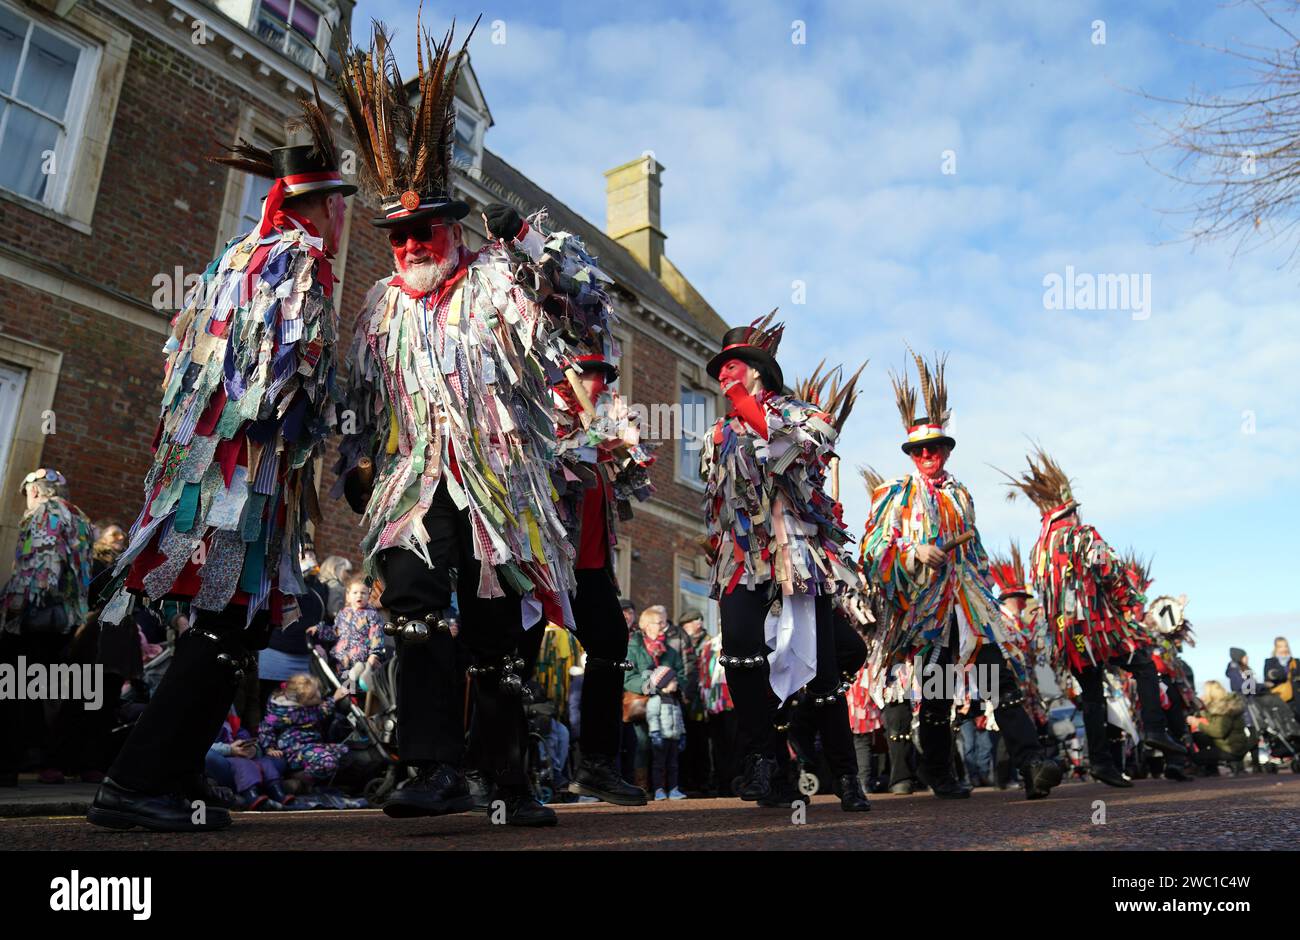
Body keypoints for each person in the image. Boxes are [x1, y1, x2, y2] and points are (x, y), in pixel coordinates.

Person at [331, 17, 608, 828]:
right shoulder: (381, 306)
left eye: (428, 230)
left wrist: (530, 240)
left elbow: (585, 311)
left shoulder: (497, 283)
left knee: (496, 635)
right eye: (401, 234)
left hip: (499, 481)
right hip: (414, 481)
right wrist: (355, 462)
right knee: (413, 602)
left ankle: (510, 780)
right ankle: (428, 764)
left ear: (456, 231)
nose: (414, 243)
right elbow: (360, 396)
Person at [85, 89, 355, 832]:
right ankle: (136, 782)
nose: (341, 220)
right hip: (241, 472)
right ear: (322, 205)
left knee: (228, 622)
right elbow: (282, 384)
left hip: (212, 470)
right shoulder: (297, 262)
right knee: (224, 622)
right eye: (338, 206)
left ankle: (167, 781)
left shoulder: (235, 255)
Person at [864, 354, 1061, 801]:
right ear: (912, 455)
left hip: (968, 604)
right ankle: (939, 771)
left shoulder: (961, 495)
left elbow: (975, 551)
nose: (928, 456)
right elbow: (874, 549)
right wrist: (913, 551)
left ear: (948, 451)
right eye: (919, 450)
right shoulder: (895, 494)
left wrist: (984, 597)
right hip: (925, 614)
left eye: (935, 448)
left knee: (999, 679)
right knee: (938, 696)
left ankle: (1031, 764)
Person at [698, 314, 866, 807]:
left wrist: (751, 408)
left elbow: (812, 447)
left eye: (734, 365)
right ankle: (763, 760)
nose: (725, 373)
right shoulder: (717, 433)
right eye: (721, 368)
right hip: (743, 554)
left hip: (796, 550)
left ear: (757, 370)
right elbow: (718, 499)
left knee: (824, 670)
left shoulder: (799, 413)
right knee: (741, 649)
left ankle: (847, 779)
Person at [1000, 448, 1185, 789]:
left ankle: (1101, 762)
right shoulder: (1083, 535)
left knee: (1093, 695)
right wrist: (1130, 603)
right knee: (1143, 664)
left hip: (1069, 639)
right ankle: (1156, 729)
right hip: (1095, 630)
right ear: (1071, 508)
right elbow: (1111, 571)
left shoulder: (1039, 548)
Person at [547, 352, 654, 805]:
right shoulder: (538, 416)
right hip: (540, 561)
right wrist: (582, 437)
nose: (597, 382)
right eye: (588, 372)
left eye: (603, 375)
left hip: (589, 569)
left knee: (610, 642)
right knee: (508, 656)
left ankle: (596, 767)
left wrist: (623, 445)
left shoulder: (602, 430)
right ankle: (491, 772)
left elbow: (633, 477)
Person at [1, 469, 94, 786]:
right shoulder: (80, 517)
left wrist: (17, 606)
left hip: (36, 616)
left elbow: (43, 565)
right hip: (66, 620)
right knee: (49, 688)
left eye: (27, 493)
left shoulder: (45, 512)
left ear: (37, 491)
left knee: (15, 687)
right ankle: (47, 761)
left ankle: (11, 763)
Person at [626, 607, 685, 800]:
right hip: (642, 706)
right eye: (659, 622)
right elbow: (627, 677)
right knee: (642, 746)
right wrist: (649, 686)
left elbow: (681, 673)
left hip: (668, 706)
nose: (663, 626)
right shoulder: (633, 647)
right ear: (646, 625)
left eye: (664, 622)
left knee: (668, 750)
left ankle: (668, 787)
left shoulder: (670, 650)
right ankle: (642, 787)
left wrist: (676, 685)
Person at [258, 675, 350, 785]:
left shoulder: (309, 708)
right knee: (327, 762)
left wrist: (334, 698)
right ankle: (301, 778)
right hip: (294, 751)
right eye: (313, 696)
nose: (318, 696)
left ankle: (320, 778)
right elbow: (266, 726)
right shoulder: (283, 712)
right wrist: (269, 748)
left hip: (313, 745)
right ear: (301, 700)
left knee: (345, 750)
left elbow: (321, 711)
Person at [311, 578, 386, 684]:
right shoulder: (343, 613)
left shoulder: (372, 615)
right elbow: (335, 632)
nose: (359, 595)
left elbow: (376, 636)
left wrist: (374, 654)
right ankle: (347, 696)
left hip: (361, 658)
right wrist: (319, 629)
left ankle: (355, 694)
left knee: (355, 685)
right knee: (343, 684)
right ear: (348, 596)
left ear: (368, 596)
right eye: (355, 593)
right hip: (341, 658)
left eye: (363, 593)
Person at [676, 611, 712, 794]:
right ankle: (688, 781)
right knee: (686, 743)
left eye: (698, 620)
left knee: (700, 743)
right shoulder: (682, 642)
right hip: (686, 699)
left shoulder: (710, 643)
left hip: (702, 701)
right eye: (691, 622)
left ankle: (703, 782)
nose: (696, 624)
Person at [1188, 681, 1252, 776]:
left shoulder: (1224, 708)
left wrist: (1197, 723)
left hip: (1231, 748)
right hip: (1236, 744)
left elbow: (1219, 732)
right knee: (1199, 737)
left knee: (1196, 757)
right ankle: (1212, 769)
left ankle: (1210, 768)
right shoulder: (1227, 705)